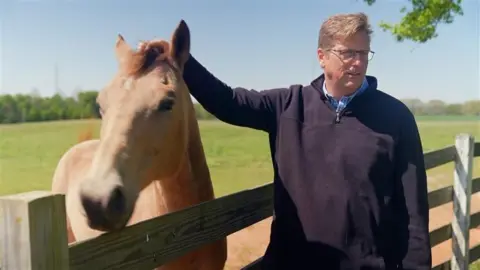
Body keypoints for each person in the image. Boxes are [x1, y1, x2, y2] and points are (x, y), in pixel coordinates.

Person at [140, 12, 431, 270]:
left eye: (363, 53)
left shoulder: (396, 117)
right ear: (321, 56)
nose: (356, 62)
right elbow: (226, 101)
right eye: (347, 53)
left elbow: (413, 214)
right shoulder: (287, 105)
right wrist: (182, 60)